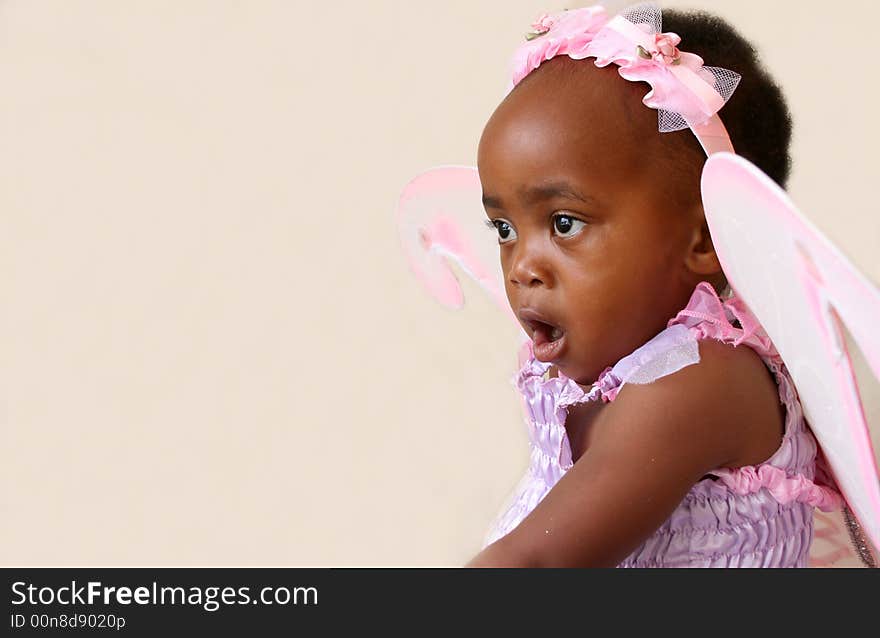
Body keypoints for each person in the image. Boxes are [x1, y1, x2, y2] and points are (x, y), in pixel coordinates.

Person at [461, 3, 846, 567]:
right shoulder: (610, 366)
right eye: (504, 229)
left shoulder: (698, 380)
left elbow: (534, 564)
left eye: (564, 223)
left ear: (708, 239)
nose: (522, 266)